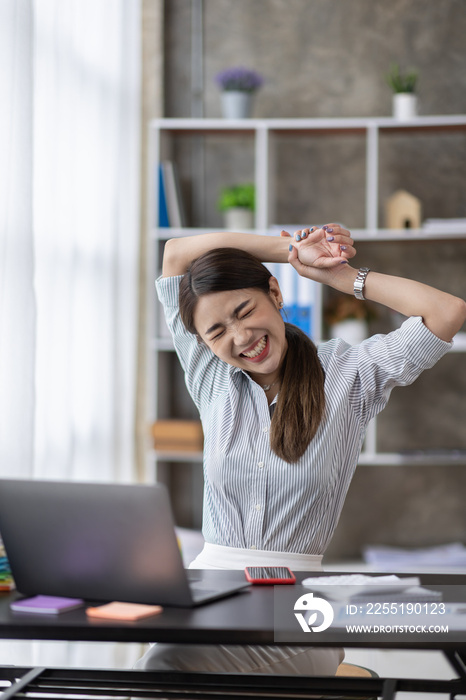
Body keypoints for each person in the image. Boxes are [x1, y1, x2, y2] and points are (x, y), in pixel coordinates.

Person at [135, 224, 466, 675]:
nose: (240, 336)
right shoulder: (209, 375)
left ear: (274, 292)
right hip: (208, 586)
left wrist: (331, 274)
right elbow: (175, 253)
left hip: (297, 599)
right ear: (203, 343)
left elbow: (446, 311)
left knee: (165, 666)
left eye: (244, 310)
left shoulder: (349, 374)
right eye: (217, 331)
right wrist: (289, 249)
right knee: (164, 662)